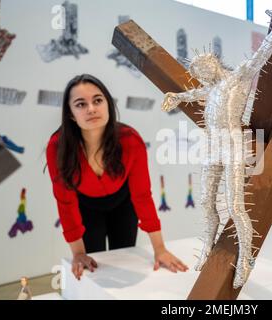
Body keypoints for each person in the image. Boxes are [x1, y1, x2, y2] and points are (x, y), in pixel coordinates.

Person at [46, 74, 188, 280]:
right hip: (85, 206)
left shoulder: (130, 140)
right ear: (70, 114)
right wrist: (77, 253)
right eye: (80, 104)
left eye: (97, 100)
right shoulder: (57, 146)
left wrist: (160, 249)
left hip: (123, 204)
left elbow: (141, 196)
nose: (91, 109)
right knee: (93, 270)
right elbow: (65, 201)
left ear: (108, 104)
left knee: (122, 260)